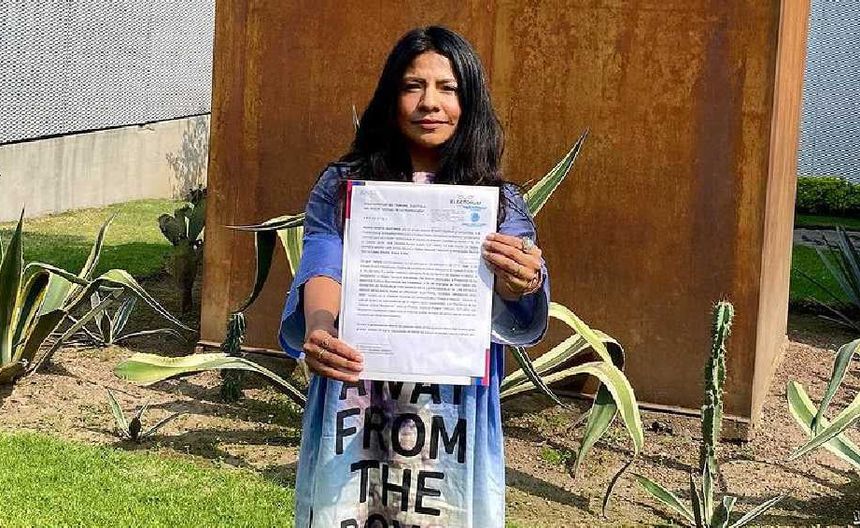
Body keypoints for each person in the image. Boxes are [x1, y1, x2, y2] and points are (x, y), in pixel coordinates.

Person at [278, 25, 550, 528]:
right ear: (390, 97)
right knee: (351, 509)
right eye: (412, 86)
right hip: (358, 393)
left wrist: (523, 278)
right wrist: (319, 328)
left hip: (451, 409)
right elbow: (323, 260)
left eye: (448, 88)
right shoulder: (342, 186)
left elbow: (520, 281)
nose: (430, 102)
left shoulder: (498, 201)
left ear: (469, 101)